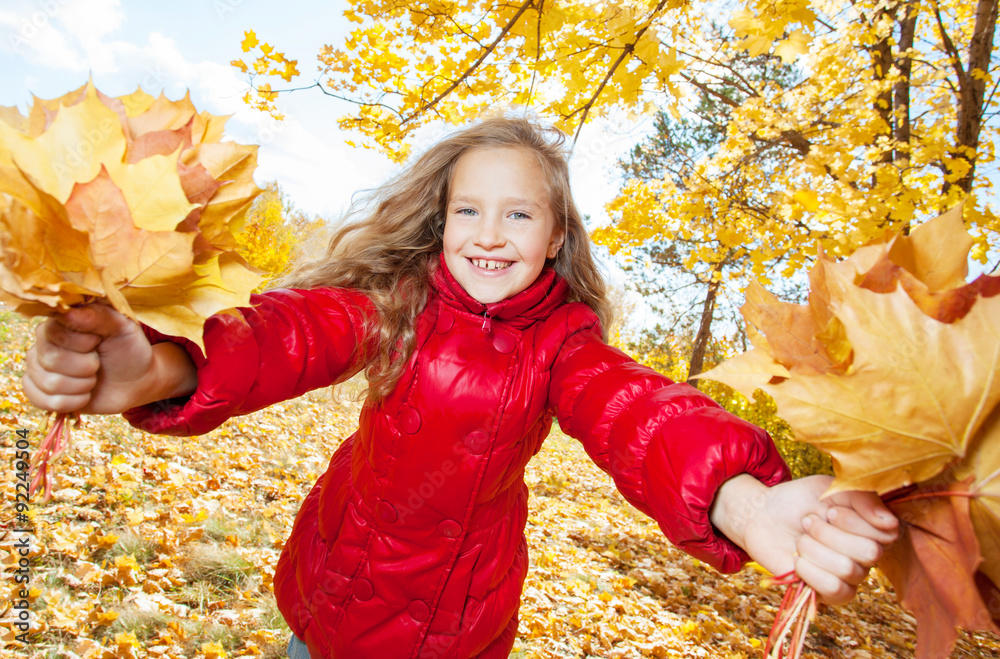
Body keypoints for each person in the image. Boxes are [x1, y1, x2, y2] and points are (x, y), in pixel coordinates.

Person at [22, 117, 899, 659]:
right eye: (468, 210)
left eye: (518, 212)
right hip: (334, 602)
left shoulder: (563, 344)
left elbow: (638, 412)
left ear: (556, 235)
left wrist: (745, 503)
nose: (490, 232)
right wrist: (164, 367)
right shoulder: (395, 305)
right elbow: (288, 337)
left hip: (458, 632)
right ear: (440, 224)